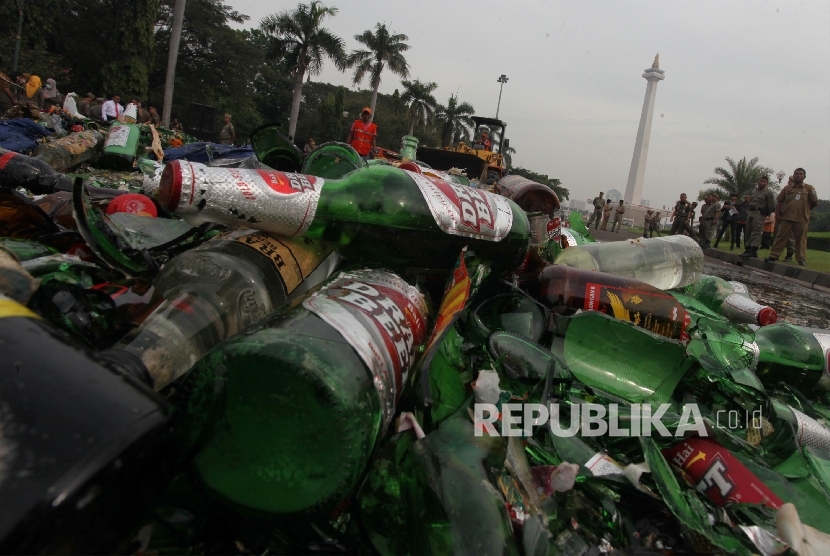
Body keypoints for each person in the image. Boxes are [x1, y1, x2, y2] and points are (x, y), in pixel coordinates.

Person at [765, 168, 818, 266]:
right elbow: (780, 201)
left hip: (802, 218)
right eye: (796, 174)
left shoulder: (809, 188)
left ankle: (801, 258)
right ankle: (774, 255)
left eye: (800, 174)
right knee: (781, 237)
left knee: (801, 239)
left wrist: (806, 210)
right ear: (793, 175)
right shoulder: (787, 188)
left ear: (804, 176)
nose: (798, 175)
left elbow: (814, 202)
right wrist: (778, 214)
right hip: (787, 217)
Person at [741, 176, 775, 258]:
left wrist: (766, 213)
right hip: (751, 212)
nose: (762, 183)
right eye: (761, 181)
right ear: (758, 182)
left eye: (765, 182)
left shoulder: (768, 193)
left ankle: (754, 250)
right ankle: (747, 248)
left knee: (756, 231)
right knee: (748, 231)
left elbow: (770, 205)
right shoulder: (754, 191)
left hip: (760, 213)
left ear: (767, 183)